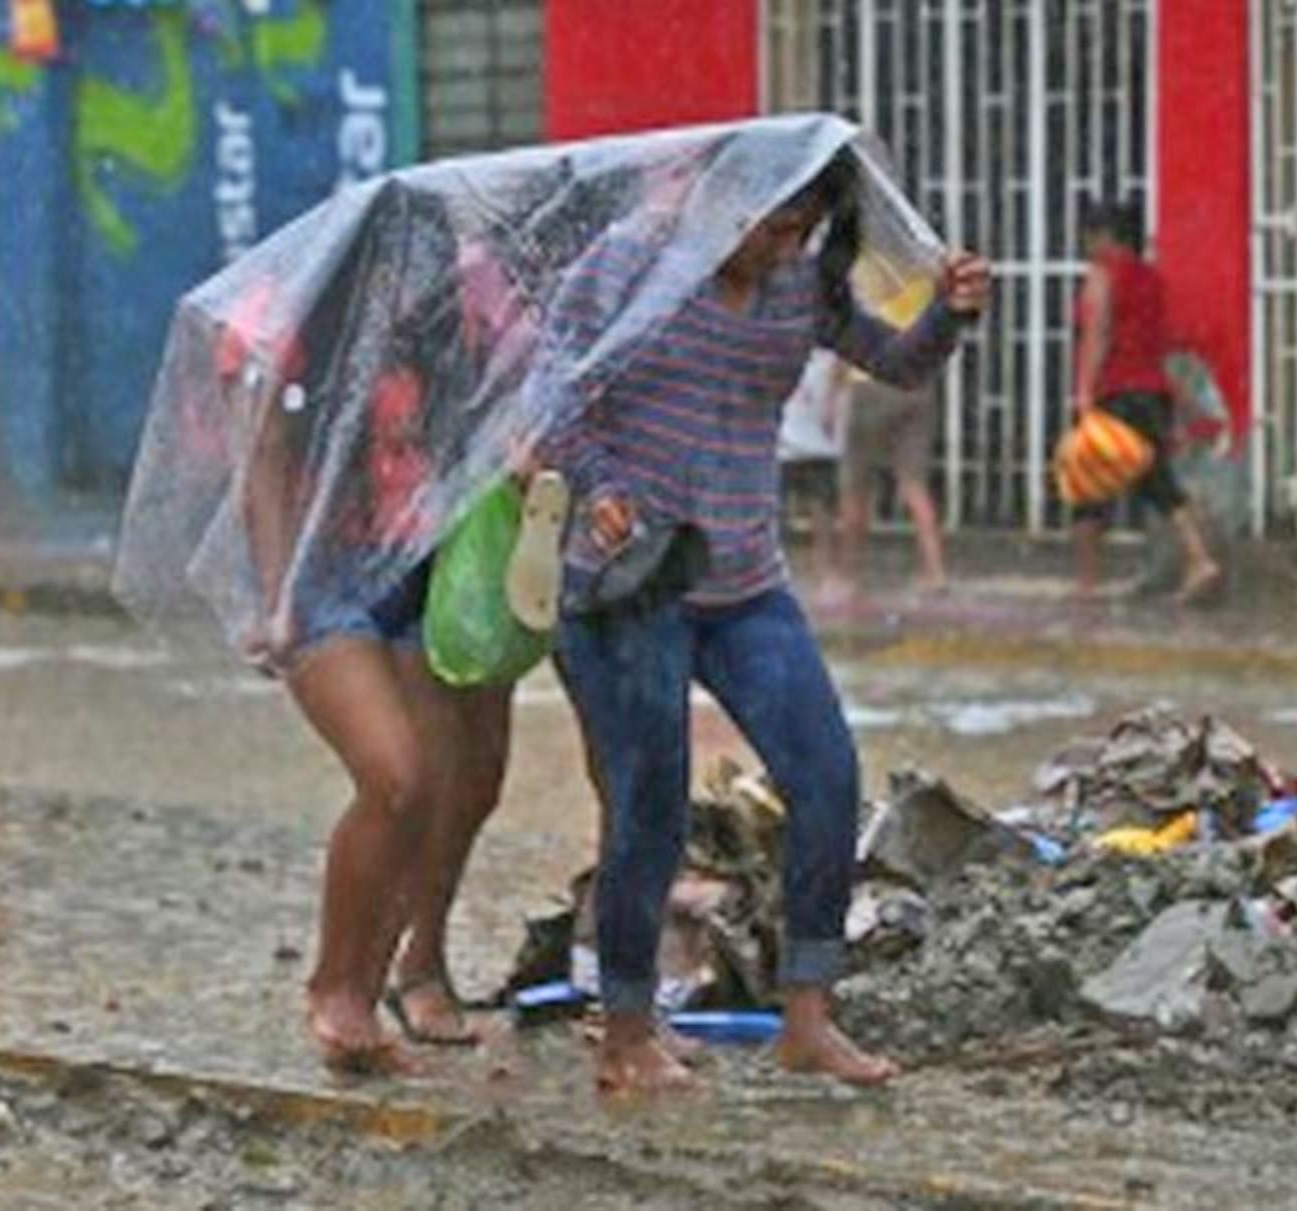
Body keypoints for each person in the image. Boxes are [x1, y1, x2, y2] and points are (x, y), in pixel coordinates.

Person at [535, 152, 991, 1094]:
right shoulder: (626, 269)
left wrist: (949, 312)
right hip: (631, 584)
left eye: (802, 231)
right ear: (722, 200)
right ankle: (625, 1030)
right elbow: (551, 395)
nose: (781, 248)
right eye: (771, 226)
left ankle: (808, 1017)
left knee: (826, 772)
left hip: (745, 581)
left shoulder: (799, 286)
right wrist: (603, 486)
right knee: (648, 801)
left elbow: (896, 364)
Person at [235, 182, 561, 1070]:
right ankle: (335, 989)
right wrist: (277, 592)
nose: (411, 286)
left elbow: (500, 417)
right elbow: (261, 449)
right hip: (327, 575)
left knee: (450, 786)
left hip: (433, 567)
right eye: (395, 270)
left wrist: (522, 463)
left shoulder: (461, 315)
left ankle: (384, 983)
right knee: (397, 776)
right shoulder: (302, 315)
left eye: (425, 269)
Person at [1069, 200, 1223, 603]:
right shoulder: (1152, 280)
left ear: (1104, 236)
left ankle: (1088, 583)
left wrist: (1084, 393)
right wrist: (1185, 405)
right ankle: (1199, 558)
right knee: (1158, 482)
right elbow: (1155, 347)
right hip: (1152, 394)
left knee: (1089, 486)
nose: (1086, 245)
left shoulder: (1103, 275)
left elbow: (1097, 336)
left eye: (1089, 235)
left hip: (1115, 392)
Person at [836, 370, 949, 598]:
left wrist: (834, 388)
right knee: (915, 484)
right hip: (917, 385)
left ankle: (850, 574)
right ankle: (935, 572)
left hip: (870, 385)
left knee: (857, 486)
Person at [776, 350, 850, 594]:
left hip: (820, 442)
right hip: (785, 442)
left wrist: (831, 399)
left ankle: (825, 573)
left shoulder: (832, 349)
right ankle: (779, 573)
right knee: (777, 512)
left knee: (823, 511)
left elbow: (843, 364)